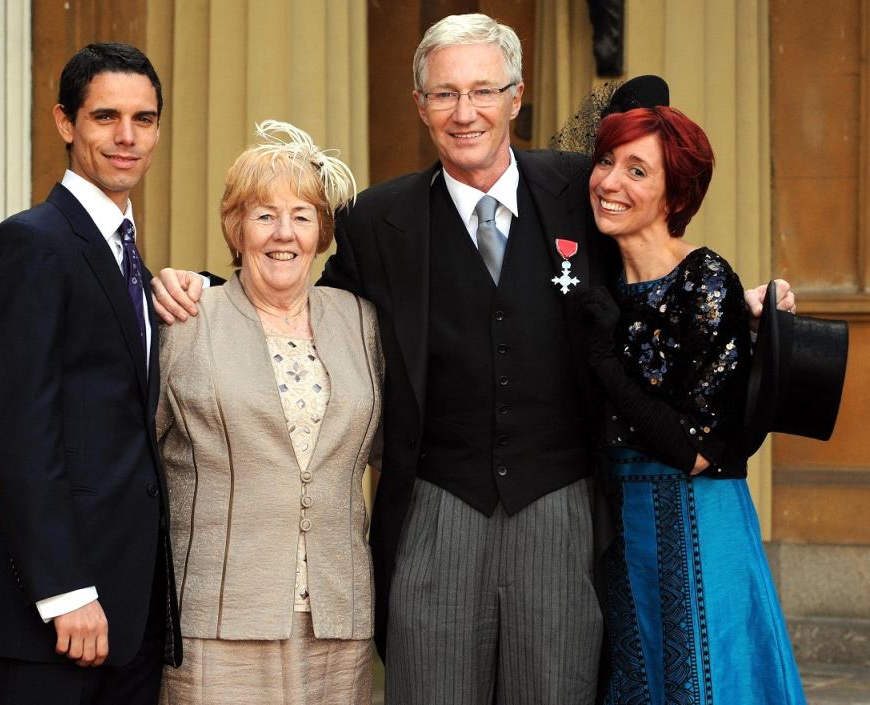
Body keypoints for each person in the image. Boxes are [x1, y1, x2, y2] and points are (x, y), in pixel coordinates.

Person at [150, 16, 795, 705]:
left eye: (484, 91)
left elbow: (651, 264)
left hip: (562, 503)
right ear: (420, 106)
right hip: (436, 506)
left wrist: (739, 302)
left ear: (516, 97)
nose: (466, 113)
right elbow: (299, 303)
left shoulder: (582, 188)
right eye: (445, 94)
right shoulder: (377, 219)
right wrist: (204, 289)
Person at [0, 43, 181, 705]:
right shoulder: (33, 242)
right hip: (60, 610)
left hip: (131, 611)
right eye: (106, 116)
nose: (126, 136)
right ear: (65, 121)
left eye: (144, 119)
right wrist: (67, 590)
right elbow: (18, 428)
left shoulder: (130, 257)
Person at [578, 106, 806, 704]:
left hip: (696, 519)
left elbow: (698, 451)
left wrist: (604, 361)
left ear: (674, 196)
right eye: (606, 162)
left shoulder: (703, 279)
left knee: (705, 680)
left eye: (637, 171)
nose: (610, 182)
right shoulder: (601, 282)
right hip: (621, 527)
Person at [155, 121, 382, 705]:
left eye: (302, 215)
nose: (284, 234)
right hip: (219, 616)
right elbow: (125, 448)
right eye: (264, 215)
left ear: (321, 232)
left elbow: (394, 450)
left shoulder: (361, 321)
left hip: (338, 617)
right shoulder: (186, 320)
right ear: (236, 228)